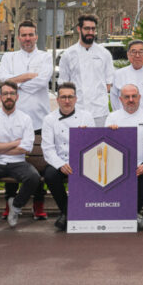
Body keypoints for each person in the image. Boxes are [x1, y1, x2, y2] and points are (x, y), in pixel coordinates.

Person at [0, 20, 53, 220]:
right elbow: (3, 81)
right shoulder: (9, 57)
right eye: (24, 35)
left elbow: (41, 82)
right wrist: (26, 77)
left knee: (38, 164)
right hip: (13, 120)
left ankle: (38, 205)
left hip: (39, 119)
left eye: (31, 35)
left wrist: (15, 82)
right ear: (18, 37)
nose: (27, 38)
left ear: (36, 36)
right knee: (10, 161)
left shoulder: (45, 57)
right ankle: (9, 203)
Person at [0, 81, 41, 234]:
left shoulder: (25, 119)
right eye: (5, 94)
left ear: (17, 96)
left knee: (34, 177)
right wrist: (15, 143)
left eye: (11, 93)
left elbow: (26, 147)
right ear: (0, 97)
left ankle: (15, 206)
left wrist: (0, 147)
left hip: (17, 162)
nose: (8, 96)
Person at [41, 82, 96, 231]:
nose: (67, 101)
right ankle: (68, 212)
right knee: (50, 175)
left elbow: (94, 144)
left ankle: (67, 215)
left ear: (76, 99)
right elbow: (48, 148)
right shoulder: (49, 119)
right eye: (63, 97)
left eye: (70, 97)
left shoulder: (86, 117)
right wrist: (60, 164)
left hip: (82, 161)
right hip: (60, 161)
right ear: (58, 100)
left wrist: (86, 136)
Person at [106, 84, 143, 231]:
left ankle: (131, 213)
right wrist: (109, 133)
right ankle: (130, 215)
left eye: (134, 96)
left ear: (139, 97)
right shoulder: (112, 117)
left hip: (141, 164)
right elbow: (105, 145)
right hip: (118, 165)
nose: (131, 100)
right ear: (120, 99)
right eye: (127, 97)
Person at [57, 14, 114, 125]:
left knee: (100, 143)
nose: (90, 32)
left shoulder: (104, 54)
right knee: (77, 142)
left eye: (93, 29)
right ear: (79, 29)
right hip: (76, 111)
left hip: (99, 112)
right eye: (87, 28)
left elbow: (109, 83)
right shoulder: (68, 54)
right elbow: (63, 84)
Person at [111, 39, 143, 114]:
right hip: (124, 119)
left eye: (141, 52)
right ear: (128, 54)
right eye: (133, 52)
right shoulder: (118, 74)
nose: (137, 55)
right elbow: (114, 98)